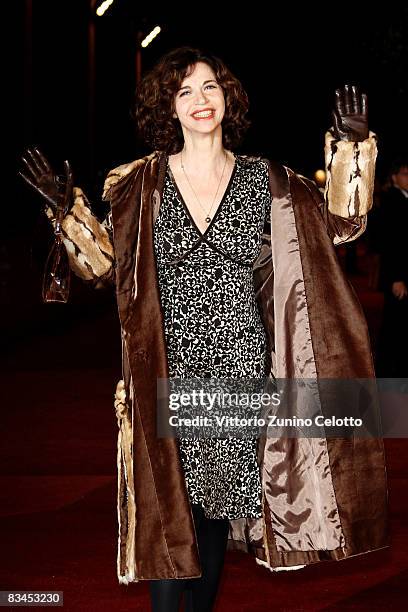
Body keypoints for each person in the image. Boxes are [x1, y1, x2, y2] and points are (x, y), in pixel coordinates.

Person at [19, 47, 390, 612]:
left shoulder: (267, 182)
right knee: (172, 518)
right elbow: (102, 267)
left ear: (227, 98)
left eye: (210, 87)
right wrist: (65, 213)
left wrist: (351, 152)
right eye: (185, 90)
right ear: (168, 106)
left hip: (241, 372)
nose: (199, 99)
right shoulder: (137, 185)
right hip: (168, 369)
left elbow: (339, 226)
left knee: (212, 519)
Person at [375, 157, 408, 377]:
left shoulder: (404, 199)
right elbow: (390, 244)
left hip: (403, 274)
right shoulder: (392, 201)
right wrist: (396, 278)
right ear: (394, 177)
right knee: (394, 328)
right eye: (405, 174)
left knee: (399, 327)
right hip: (398, 276)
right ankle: (388, 374)